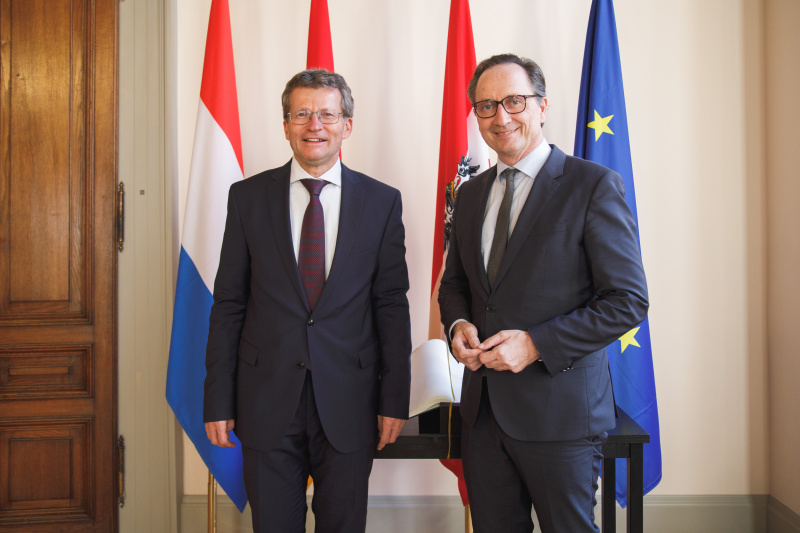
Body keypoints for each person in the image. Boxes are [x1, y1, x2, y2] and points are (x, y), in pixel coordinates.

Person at [438, 53, 649, 532]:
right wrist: (458, 325)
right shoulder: (469, 194)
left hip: (562, 415)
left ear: (543, 106)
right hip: (484, 416)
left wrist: (535, 344)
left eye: (514, 101)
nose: (501, 116)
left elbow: (628, 300)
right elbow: (455, 285)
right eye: (486, 105)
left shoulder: (591, 185)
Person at [203, 69, 412, 533]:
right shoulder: (247, 198)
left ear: (347, 124)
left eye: (327, 114)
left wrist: (395, 397)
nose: (314, 125)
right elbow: (230, 303)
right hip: (264, 399)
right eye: (301, 114)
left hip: (351, 401)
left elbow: (391, 305)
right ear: (285, 124)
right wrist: (217, 398)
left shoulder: (381, 203)